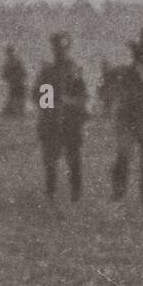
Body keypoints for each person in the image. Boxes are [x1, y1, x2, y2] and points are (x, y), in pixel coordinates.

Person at [33, 32, 89, 201]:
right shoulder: (47, 72)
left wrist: (68, 102)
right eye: (56, 48)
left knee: (74, 160)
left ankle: (76, 193)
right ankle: (51, 194)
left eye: (63, 48)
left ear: (68, 49)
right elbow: (40, 98)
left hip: (71, 122)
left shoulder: (76, 71)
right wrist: (53, 103)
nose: (59, 52)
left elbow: (83, 97)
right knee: (50, 161)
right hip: (51, 121)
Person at [110, 41, 143, 202]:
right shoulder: (127, 73)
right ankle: (118, 192)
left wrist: (140, 71)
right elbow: (117, 87)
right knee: (123, 157)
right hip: (128, 120)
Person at [1, 45, 26, 116]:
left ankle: (12, 111)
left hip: (15, 82)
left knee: (15, 96)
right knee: (17, 96)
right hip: (16, 81)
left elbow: (4, 74)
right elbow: (23, 71)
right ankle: (16, 111)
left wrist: (10, 78)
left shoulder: (9, 62)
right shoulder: (15, 61)